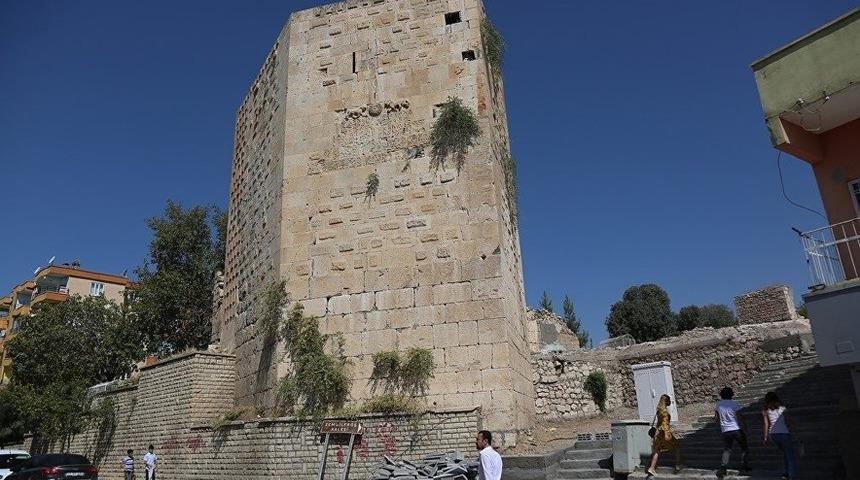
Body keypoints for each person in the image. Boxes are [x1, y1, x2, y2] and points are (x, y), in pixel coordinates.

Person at [715, 386, 750, 476]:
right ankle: (744, 465)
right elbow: (739, 416)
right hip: (735, 429)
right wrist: (745, 426)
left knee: (727, 449)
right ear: (731, 394)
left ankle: (723, 467)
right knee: (744, 448)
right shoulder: (735, 403)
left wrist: (722, 424)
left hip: (725, 431)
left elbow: (716, 418)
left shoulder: (718, 404)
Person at [762, 392, 797, 480]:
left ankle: (786, 473)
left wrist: (765, 437)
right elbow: (790, 421)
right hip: (784, 434)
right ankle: (791, 477)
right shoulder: (782, 408)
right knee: (790, 456)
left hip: (773, 435)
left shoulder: (765, 410)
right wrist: (796, 433)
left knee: (785, 453)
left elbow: (766, 424)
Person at [647, 394, 683, 477]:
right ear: (666, 401)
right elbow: (665, 425)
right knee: (677, 446)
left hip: (657, 434)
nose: (670, 401)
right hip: (664, 433)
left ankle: (651, 468)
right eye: (669, 400)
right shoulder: (665, 412)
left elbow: (659, 424)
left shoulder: (659, 410)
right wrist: (668, 434)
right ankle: (678, 465)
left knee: (657, 450)